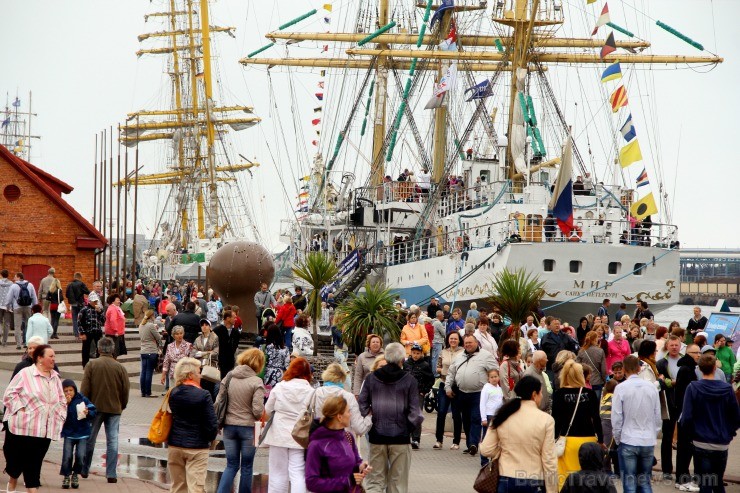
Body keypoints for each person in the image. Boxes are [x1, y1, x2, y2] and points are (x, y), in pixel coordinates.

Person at [359, 342, 423, 493]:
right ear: (402, 359)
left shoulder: (372, 378)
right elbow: (416, 413)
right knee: (398, 484)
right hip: (400, 438)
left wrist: (370, 419)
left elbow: (362, 403)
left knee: (375, 482)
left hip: (377, 436)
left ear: (386, 357)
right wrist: (408, 427)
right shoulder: (409, 380)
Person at [2, 344, 66, 493]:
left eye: (54, 356)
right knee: (16, 464)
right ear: (39, 358)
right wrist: (20, 409)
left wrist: (61, 415)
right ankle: (13, 481)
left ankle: (31, 487)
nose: (53, 359)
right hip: (23, 428)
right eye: (50, 356)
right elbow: (9, 395)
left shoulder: (55, 377)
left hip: (44, 430)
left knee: (34, 465)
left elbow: (62, 400)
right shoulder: (25, 374)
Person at [480, 376, 558, 493]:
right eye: (541, 392)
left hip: (506, 476)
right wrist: (552, 489)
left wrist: (505, 449)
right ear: (534, 394)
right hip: (534, 479)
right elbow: (549, 459)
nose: (542, 396)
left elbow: (486, 450)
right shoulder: (546, 420)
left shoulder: (502, 416)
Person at [679, 354, 740, 493]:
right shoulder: (727, 389)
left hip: (701, 440)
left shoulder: (693, 388)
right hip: (721, 442)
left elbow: (686, 417)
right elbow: (736, 416)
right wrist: (729, 432)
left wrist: (690, 434)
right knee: (717, 482)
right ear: (715, 368)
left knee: (705, 483)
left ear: (699, 369)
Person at [214, 348, 265, 493]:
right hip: (249, 429)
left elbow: (219, 400)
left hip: (229, 427)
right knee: (247, 466)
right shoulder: (257, 382)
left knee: (231, 465)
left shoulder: (229, 377)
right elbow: (257, 411)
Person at [81, 337, 130, 482]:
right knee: (113, 441)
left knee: (90, 439)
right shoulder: (120, 367)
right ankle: (111, 474)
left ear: (99, 349)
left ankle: (84, 468)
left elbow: (85, 389)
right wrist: (122, 405)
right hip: (114, 409)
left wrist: (85, 406)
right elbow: (125, 390)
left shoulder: (91, 365)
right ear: (113, 349)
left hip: (94, 408)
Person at [611, 355, 662, 493]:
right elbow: (657, 416)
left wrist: (618, 438)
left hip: (628, 438)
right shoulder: (651, 387)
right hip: (647, 439)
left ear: (624, 369)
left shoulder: (621, 388)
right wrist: (653, 434)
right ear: (639, 368)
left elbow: (616, 418)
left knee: (629, 483)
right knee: (644, 481)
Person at [167, 357, 218, 493]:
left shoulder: (173, 393)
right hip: (197, 446)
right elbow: (211, 423)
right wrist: (211, 438)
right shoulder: (204, 395)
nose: (200, 375)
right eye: (198, 372)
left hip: (175, 444)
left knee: (177, 487)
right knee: (195, 487)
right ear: (190, 375)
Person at [263, 357, 314, 493]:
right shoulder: (310, 391)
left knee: (277, 472)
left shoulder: (280, 387)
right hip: (299, 434)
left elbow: (267, 410)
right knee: (297, 473)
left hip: (278, 433)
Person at [445, 333, 498, 458]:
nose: (468, 345)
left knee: (475, 418)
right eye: (466, 343)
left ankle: (474, 443)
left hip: (479, 393)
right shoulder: (459, 356)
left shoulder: (486, 355)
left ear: (476, 343)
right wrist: (447, 387)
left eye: (470, 342)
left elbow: (494, 371)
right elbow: (451, 373)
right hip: (462, 392)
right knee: (466, 419)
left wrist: (492, 389)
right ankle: (470, 445)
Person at [553, 360, 603, 490]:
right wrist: (601, 440)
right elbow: (596, 418)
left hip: (568, 441)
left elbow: (556, 421)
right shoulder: (590, 394)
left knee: (565, 479)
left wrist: (553, 439)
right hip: (589, 440)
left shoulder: (559, 394)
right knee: (589, 481)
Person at [306, 396, 371, 493]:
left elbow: (356, 462)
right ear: (339, 417)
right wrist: (347, 481)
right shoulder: (316, 445)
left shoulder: (348, 437)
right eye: (348, 411)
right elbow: (311, 482)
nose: (350, 414)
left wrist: (360, 467)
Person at [313, 363, 372, 437]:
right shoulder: (349, 397)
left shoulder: (315, 393)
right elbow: (359, 428)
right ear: (342, 378)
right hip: (343, 442)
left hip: (320, 439)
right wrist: (369, 416)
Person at [59, 379, 96, 490]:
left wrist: (88, 412)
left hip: (82, 433)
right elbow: (58, 414)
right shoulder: (62, 402)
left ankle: (75, 474)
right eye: (66, 391)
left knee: (80, 456)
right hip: (69, 433)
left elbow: (93, 410)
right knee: (67, 456)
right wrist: (66, 404)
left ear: (75, 390)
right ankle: (66, 476)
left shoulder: (82, 399)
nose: (68, 393)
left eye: (71, 390)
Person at [674, 344, 701, 489]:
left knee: (686, 447)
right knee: (685, 447)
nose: (698, 355)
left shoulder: (688, 368)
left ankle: (682, 477)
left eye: (699, 352)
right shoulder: (686, 369)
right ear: (688, 353)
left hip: (685, 412)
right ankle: (682, 479)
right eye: (696, 352)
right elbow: (682, 394)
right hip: (685, 413)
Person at [434, 331, 464, 450]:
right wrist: (446, 372)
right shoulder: (443, 351)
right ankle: (438, 440)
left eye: (455, 339)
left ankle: (456, 441)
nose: (453, 341)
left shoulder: (463, 352)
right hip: (443, 384)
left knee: (456, 414)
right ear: (448, 340)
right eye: (451, 339)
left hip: (457, 385)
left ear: (459, 340)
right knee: (441, 412)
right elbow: (438, 368)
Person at [403, 342, 434, 449]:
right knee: (405, 414)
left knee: (416, 415)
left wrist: (424, 390)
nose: (415, 355)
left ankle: (416, 439)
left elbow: (431, 379)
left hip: (418, 393)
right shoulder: (406, 364)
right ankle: (406, 436)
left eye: (418, 353)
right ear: (410, 353)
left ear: (421, 354)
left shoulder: (425, 365)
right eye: (414, 353)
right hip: (406, 393)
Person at [5, 272, 38, 349]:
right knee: (28, 325)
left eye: (15, 277)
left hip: (17, 307)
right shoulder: (30, 285)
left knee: (17, 326)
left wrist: (7, 306)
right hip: (28, 307)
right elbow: (34, 297)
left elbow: (9, 298)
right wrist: (34, 307)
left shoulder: (13, 286)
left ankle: (18, 344)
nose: (14, 278)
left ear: (19, 277)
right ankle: (26, 343)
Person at [191, 318, 220, 399]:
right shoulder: (198, 339)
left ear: (210, 326)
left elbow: (215, 353)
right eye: (202, 325)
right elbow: (193, 353)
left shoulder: (214, 337)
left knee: (209, 389)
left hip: (210, 366)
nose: (204, 327)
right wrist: (207, 352)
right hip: (199, 367)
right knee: (200, 387)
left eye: (206, 325)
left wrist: (200, 353)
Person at [138, 309, 162, 398]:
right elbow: (158, 337)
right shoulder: (151, 325)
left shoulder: (141, 325)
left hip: (143, 351)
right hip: (151, 350)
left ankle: (143, 392)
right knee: (149, 372)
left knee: (143, 371)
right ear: (152, 316)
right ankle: (148, 392)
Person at [78, 292, 105, 368]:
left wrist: (100, 312)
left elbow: (103, 320)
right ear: (90, 301)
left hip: (97, 331)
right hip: (87, 331)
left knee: (99, 348)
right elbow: (79, 321)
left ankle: (99, 364)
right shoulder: (84, 310)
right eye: (93, 301)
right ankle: (85, 364)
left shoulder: (99, 309)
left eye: (96, 301)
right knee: (86, 348)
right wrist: (82, 332)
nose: (95, 303)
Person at [576, 331, 607, 398]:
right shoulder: (600, 351)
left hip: (584, 381)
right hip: (597, 381)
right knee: (596, 403)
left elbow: (577, 366)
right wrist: (604, 380)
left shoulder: (581, 351)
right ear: (595, 339)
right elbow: (603, 370)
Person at [261, 323, 290, 390]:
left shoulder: (264, 348)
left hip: (266, 374)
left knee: (266, 395)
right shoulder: (285, 349)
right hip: (279, 375)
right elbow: (287, 366)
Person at [600, 379, 620, 475]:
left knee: (607, 445)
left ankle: (607, 468)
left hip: (604, 421)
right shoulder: (613, 397)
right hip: (609, 422)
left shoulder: (604, 396)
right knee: (609, 446)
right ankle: (606, 469)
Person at [214, 309, 241, 379]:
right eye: (234, 317)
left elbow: (235, 346)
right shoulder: (217, 330)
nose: (236, 319)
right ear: (228, 318)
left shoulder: (236, 332)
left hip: (230, 362)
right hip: (219, 361)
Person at [65, 272, 89, 340]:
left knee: (74, 319)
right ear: (80, 277)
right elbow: (87, 291)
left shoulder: (70, 285)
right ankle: (82, 333)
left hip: (73, 304)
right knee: (82, 319)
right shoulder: (81, 284)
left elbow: (67, 295)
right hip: (81, 303)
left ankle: (76, 334)